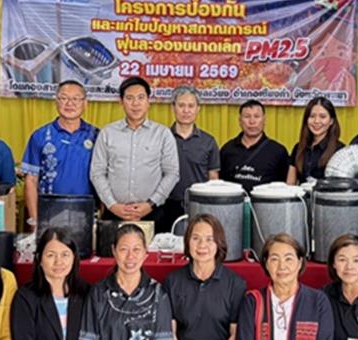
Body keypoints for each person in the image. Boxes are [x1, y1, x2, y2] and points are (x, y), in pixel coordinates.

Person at [89, 76, 179, 223]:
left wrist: (150, 204)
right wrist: (112, 205)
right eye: (129, 98)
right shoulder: (107, 133)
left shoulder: (162, 134)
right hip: (114, 213)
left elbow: (172, 173)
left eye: (140, 97)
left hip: (153, 213)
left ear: (148, 101)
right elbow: (97, 173)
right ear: (121, 102)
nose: (135, 103)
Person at [20, 80, 98, 228]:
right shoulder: (39, 136)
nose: (70, 103)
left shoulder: (97, 136)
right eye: (64, 98)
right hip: (49, 215)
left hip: (86, 215)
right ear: (56, 102)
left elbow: (105, 180)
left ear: (85, 103)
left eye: (76, 99)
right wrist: (34, 221)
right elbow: (30, 181)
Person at [160, 85, 221, 233]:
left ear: (198, 109)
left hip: (199, 206)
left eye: (191, 106)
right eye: (181, 105)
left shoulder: (209, 141)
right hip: (165, 207)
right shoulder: (161, 138)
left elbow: (213, 178)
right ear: (173, 108)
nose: (186, 110)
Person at [219, 99, 290, 192]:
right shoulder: (227, 149)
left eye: (256, 116)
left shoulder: (278, 151)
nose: (252, 121)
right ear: (240, 121)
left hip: (266, 204)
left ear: (264, 120)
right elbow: (221, 183)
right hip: (234, 204)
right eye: (247, 116)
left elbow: (284, 186)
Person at [286, 96, 343, 184]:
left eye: (322, 117)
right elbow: (290, 185)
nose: (316, 121)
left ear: (331, 121)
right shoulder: (298, 148)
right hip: (300, 197)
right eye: (312, 116)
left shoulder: (340, 150)